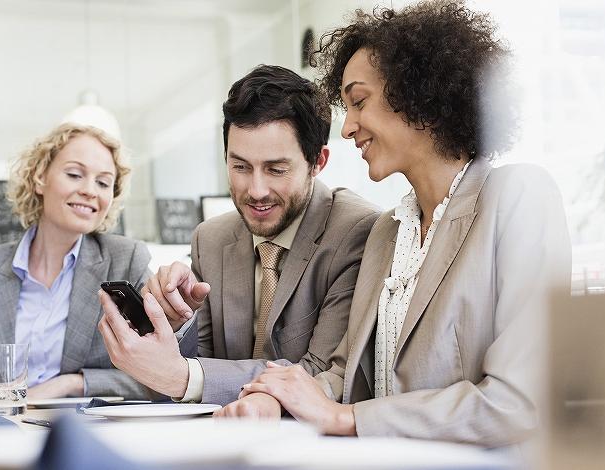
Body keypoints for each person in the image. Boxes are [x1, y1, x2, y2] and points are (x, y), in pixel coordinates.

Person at [214, 0, 572, 449]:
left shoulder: (518, 197)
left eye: (359, 102)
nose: (348, 129)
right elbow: (346, 376)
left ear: (422, 95)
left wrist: (346, 418)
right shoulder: (387, 232)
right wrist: (275, 398)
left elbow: (520, 404)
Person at [97, 65, 382, 405]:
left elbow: (321, 377)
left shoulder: (357, 232)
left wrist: (184, 376)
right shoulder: (211, 239)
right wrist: (170, 328)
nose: (256, 191)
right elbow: (169, 387)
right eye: (240, 167)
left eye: (276, 169)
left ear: (317, 161)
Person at [0, 123, 152, 411]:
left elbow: (160, 373)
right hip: (0, 435)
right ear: (39, 179)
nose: (89, 191)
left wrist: (69, 383)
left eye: (103, 182)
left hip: (87, 438)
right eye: (74, 174)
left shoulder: (126, 259)